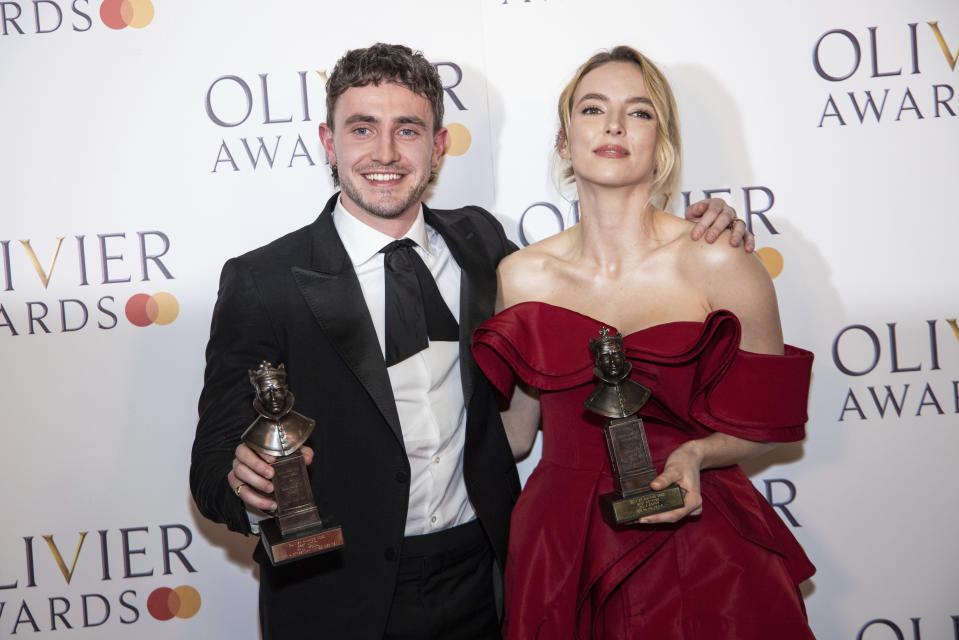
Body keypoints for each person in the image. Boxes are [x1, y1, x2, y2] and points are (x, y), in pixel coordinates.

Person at [190, 43, 752, 639]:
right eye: (362, 128)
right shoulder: (263, 281)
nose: (385, 153)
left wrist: (706, 228)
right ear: (330, 144)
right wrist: (248, 491)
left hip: (485, 581)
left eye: (408, 130)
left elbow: (597, 282)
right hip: (334, 591)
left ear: (438, 148)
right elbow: (212, 460)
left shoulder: (488, 249)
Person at [472, 46, 816, 639]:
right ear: (564, 140)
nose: (612, 126)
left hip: (701, 546)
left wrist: (698, 454)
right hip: (562, 546)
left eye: (638, 112)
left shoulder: (720, 261)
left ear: (663, 143)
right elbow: (518, 430)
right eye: (592, 109)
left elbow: (766, 427)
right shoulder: (520, 276)